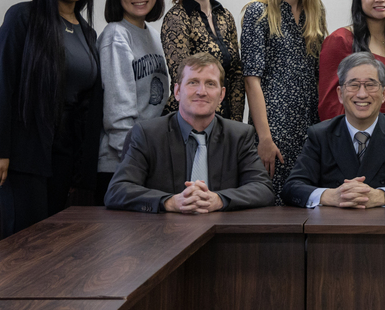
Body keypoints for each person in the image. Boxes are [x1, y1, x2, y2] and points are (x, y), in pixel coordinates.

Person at [0, 0, 102, 240]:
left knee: (52, 244)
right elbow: (2, 84)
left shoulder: (87, 32)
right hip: (23, 151)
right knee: (23, 242)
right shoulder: (23, 18)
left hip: (65, 154)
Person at [105, 53, 274, 213]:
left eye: (210, 84)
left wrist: (219, 200)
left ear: (221, 95)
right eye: (193, 82)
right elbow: (117, 191)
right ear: (177, 91)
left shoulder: (239, 136)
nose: (201, 91)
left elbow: (263, 189)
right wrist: (169, 202)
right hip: (162, 236)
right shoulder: (147, 134)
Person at [282, 53, 385, 208]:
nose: (362, 94)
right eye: (353, 85)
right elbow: (291, 188)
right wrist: (330, 196)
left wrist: (381, 196)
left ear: (383, 94)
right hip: (333, 226)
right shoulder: (320, 135)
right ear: (340, 94)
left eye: (370, 85)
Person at [241, 0, 327, 205]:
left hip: (309, 126)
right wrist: (264, 138)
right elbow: (251, 81)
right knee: (273, 203)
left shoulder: (316, 12)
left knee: (308, 198)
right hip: (273, 128)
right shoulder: (259, 11)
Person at [95, 0, 169, 205]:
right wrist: (133, 159)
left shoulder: (155, 36)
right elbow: (118, 110)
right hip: (122, 162)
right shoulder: (116, 35)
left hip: (147, 159)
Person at [161, 0, 245, 122]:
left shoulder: (225, 16)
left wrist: (236, 126)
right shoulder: (177, 18)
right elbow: (184, 81)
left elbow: (236, 75)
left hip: (224, 123)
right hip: (188, 122)